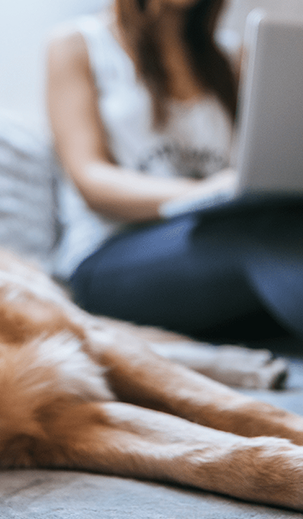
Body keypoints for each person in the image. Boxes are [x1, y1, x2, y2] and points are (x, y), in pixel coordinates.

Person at [47, 0, 303, 343]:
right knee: (259, 240)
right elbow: (91, 180)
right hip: (110, 255)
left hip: (222, 240)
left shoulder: (232, 56)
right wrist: (204, 192)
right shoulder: (78, 45)